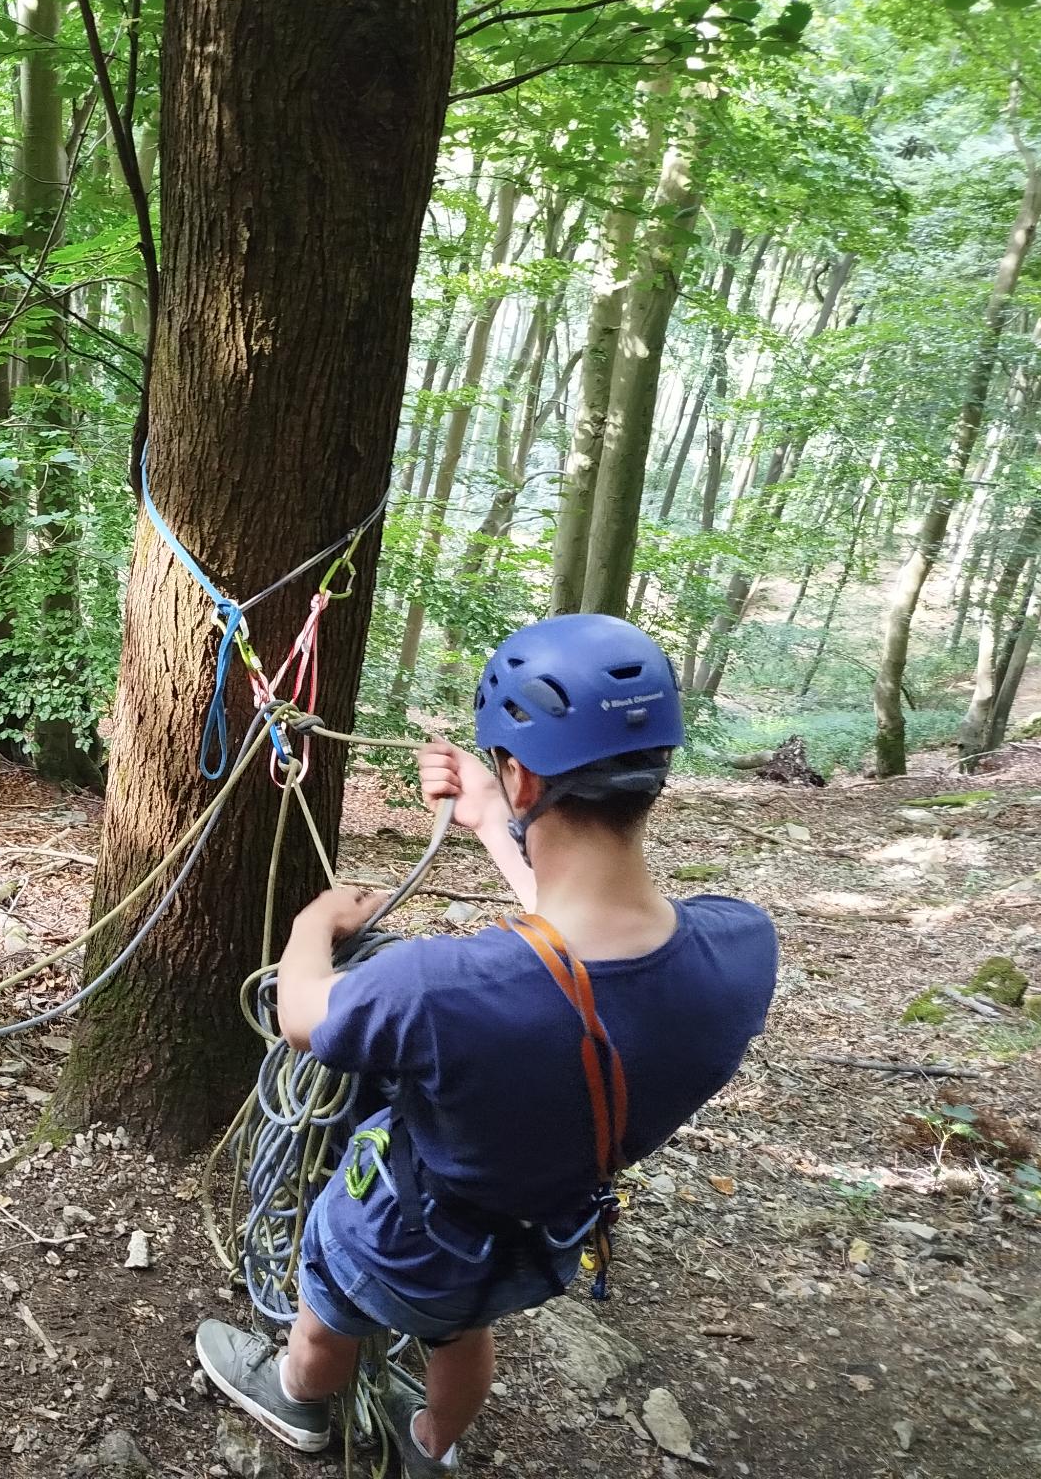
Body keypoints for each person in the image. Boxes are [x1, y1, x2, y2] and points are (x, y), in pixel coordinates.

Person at [195, 613, 778, 1476]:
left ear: (522, 771)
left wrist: (311, 925)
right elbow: (580, 948)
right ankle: (433, 1446)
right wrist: (494, 822)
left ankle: (299, 1401)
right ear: (657, 768)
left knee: (326, 1311)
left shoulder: (439, 989)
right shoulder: (740, 949)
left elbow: (301, 1013)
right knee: (461, 1336)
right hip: (541, 1239)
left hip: (396, 1231)